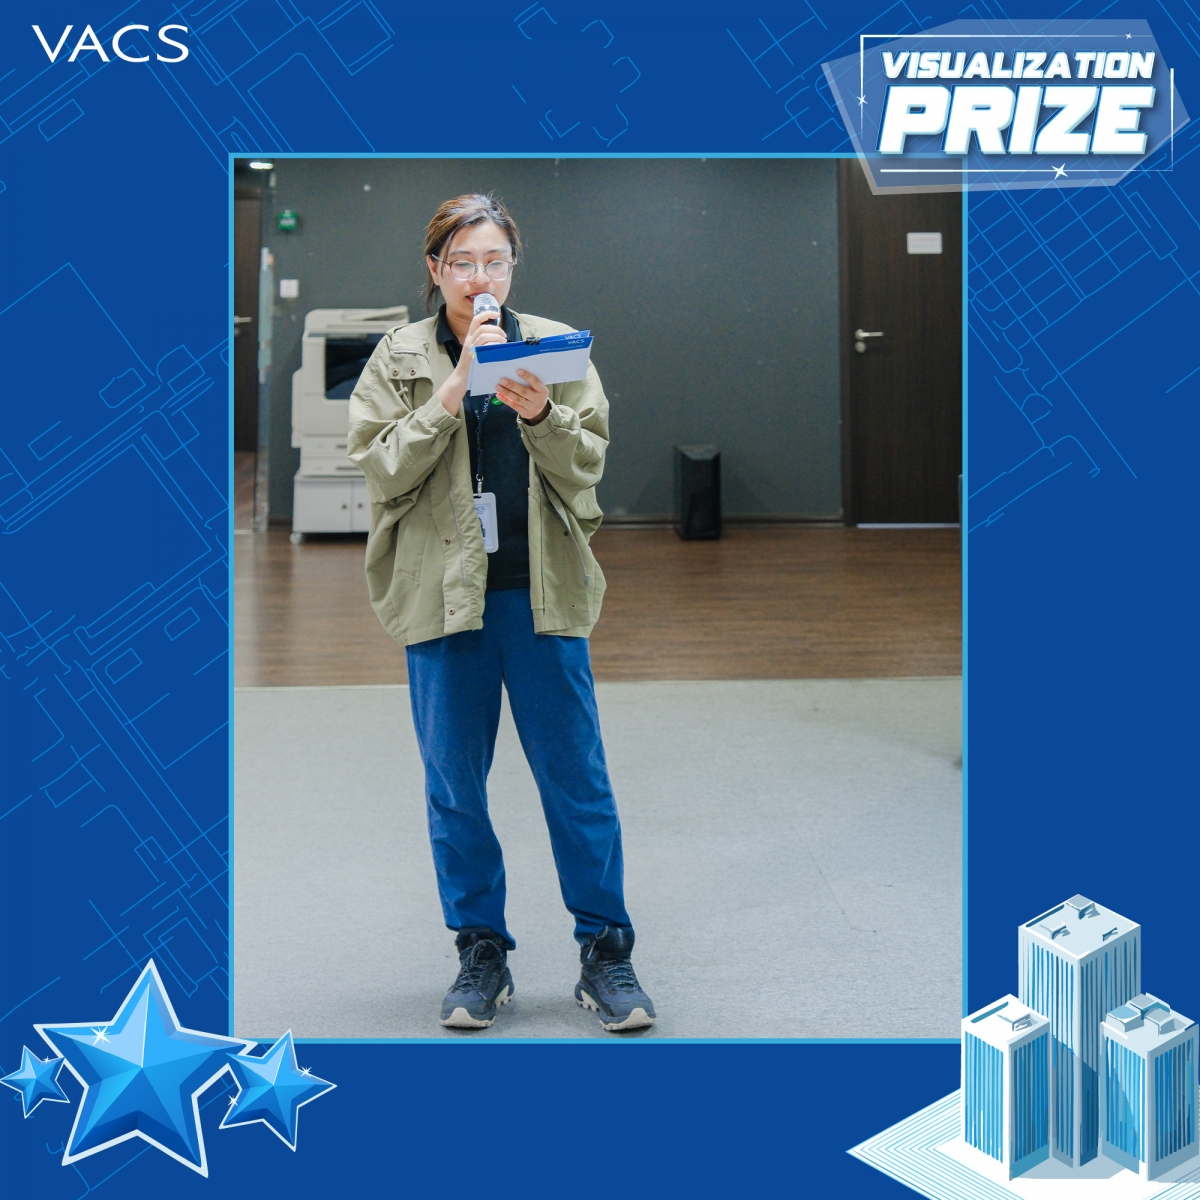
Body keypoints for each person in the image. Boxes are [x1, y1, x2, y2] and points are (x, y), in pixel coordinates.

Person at [347, 193, 654, 1033]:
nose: (480, 278)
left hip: (540, 594)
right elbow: (381, 470)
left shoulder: (554, 347)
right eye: (463, 262)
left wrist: (542, 414)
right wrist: (452, 392)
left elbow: (587, 463)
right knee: (456, 787)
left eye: (495, 261)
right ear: (435, 268)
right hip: (444, 600)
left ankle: (606, 952)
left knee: (577, 780)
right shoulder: (400, 357)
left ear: (513, 266)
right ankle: (481, 951)